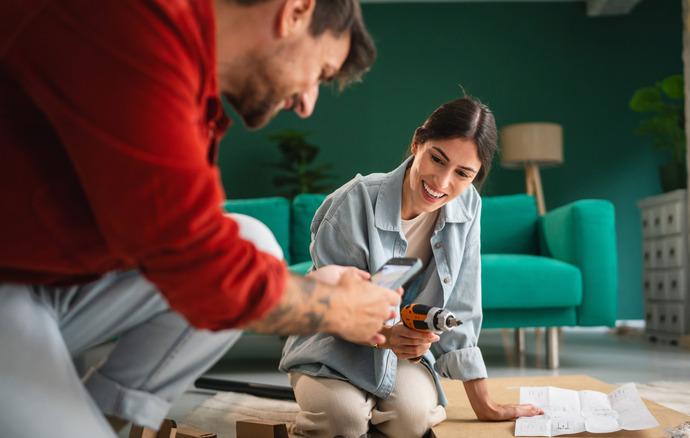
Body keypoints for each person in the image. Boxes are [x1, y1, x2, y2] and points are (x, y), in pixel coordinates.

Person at [0, 0, 402, 437]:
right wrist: (333, 308)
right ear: (296, 11)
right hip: (11, 287)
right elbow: (202, 268)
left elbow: (186, 237)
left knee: (253, 241)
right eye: (321, 74)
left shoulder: (190, 80)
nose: (307, 103)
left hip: (45, 280)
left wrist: (307, 290)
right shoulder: (135, 26)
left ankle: (100, 418)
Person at [279, 97, 544, 438]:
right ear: (418, 142)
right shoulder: (351, 203)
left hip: (402, 349)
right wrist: (385, 335)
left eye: (463, 173)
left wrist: (485, 405)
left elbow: (462, 303)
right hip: (332, 345)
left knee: (412, 421)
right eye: (437, 158)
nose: (443, 182)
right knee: (343, 421)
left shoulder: (468, 206)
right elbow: (332, 309)